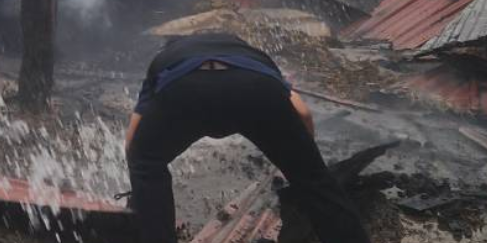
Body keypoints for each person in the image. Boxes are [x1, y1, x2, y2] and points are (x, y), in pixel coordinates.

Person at [126, 32, 371, 243]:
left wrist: (141, 182)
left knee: (146, 164)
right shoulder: (252, 57)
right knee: (315, 180)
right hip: (254, 89)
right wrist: (303, 158)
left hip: (185, 90)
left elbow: (134, 139)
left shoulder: (164, 60)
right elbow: (303, 111)